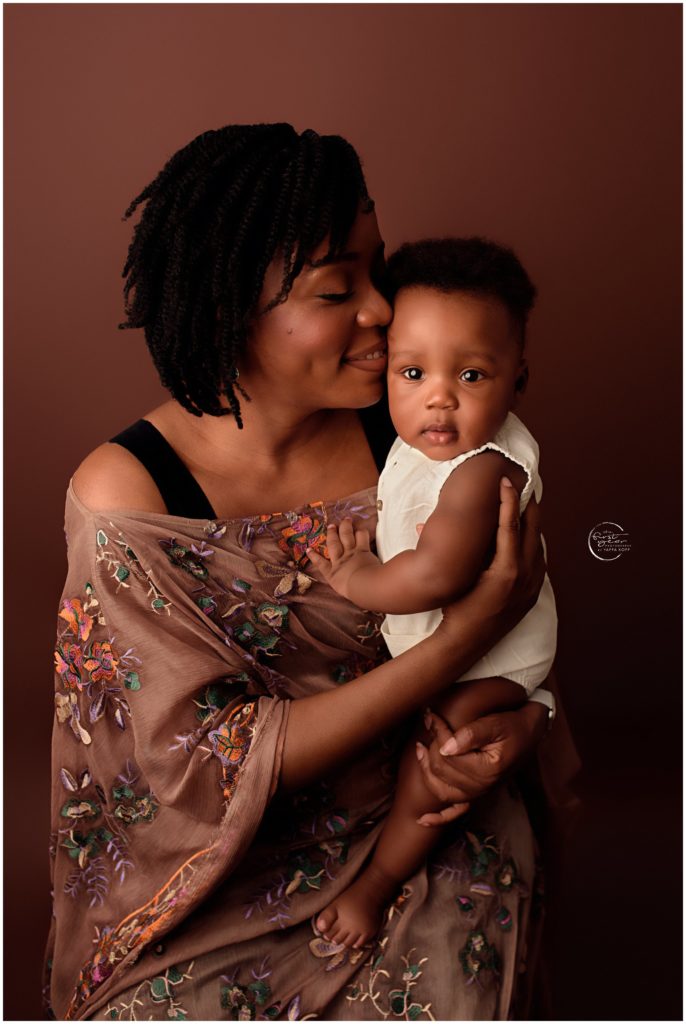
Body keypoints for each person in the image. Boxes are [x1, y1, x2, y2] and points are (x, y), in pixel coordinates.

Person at [45, 124, 569, 1022]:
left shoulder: (413, 427)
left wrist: (524, 725)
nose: (380, 308)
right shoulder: (132, 495)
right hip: (218, 878)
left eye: (377, 269)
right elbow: (199, 767)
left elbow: (522, 628)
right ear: (228, 313)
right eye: (338, 288)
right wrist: (461, 644)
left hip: (423, 812)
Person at [310, 238, 558, 949]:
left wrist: (356, 578)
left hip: (493, 665)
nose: (438, 396)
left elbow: (436, 576)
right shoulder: (420, 439)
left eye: (473, 374)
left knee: (438, 759)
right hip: (454, 648)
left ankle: (376, 885)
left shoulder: (481, 471)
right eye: (412, 371)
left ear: (518, 380)